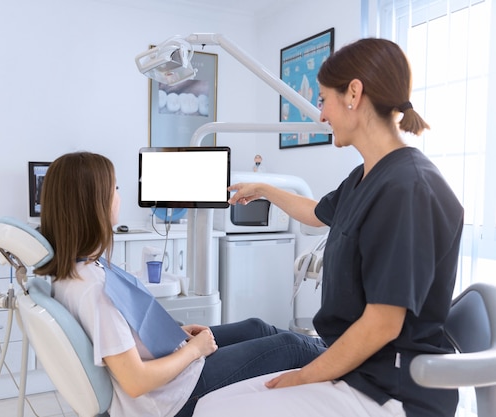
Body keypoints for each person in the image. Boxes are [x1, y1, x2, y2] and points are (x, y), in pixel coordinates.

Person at [194, 38, 464, 417]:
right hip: (356, 370)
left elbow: (382, 325)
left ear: (354, 93)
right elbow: (317, 212)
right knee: (212, 403)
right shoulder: (366, 176)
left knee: (216, 411)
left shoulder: (408, 189)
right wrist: (266, 190)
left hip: (392, 392)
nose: (321, 115)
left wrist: (304, 376)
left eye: (323, 100)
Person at [33, 151, 326, 417]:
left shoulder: (80, 269)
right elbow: (135, 382)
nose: (119, 197)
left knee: (256, 327)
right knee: (290, 346)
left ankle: (329, 349)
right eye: (116, 189)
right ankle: (349, 362)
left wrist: (176, 337)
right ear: (93, 204)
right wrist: (193, 350)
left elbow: (125, 336)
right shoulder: (94, 290)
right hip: (170, 397)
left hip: (172, 369)